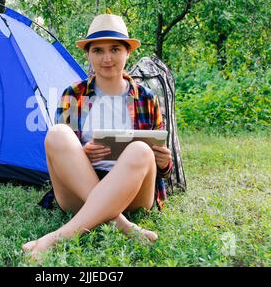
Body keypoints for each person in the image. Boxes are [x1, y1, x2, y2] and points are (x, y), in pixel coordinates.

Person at [22, 14, 173, 258]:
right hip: (80, 189)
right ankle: (124, 225)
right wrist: (83, 153)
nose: (107, 58)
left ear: (127, 53)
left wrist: (164, 164)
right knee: (58, 133)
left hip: (132, 193)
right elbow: (63, 153)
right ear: (89, 55)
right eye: (98, 50)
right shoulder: (73, 94)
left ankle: (57, 238)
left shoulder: (146, 98)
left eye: (115, 49)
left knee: (141, 150)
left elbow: (163, 168)